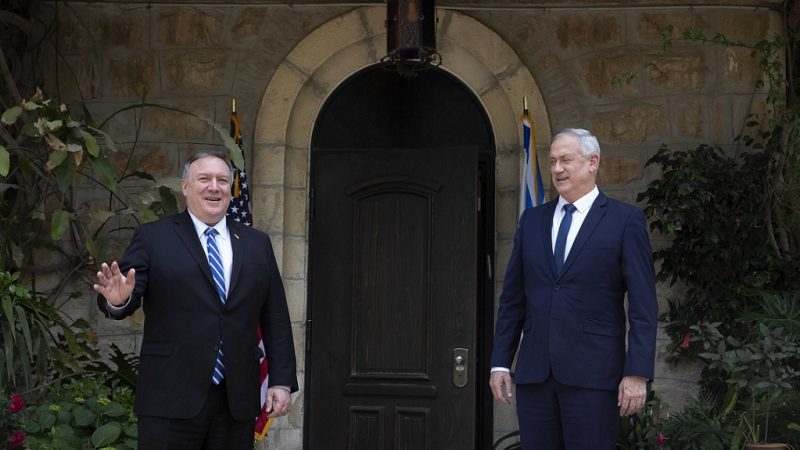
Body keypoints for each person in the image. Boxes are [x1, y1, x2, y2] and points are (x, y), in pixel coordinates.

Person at [93, 150, 298, 450]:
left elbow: (274, 315)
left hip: (235, 399)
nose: (214, 187)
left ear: (230, 189)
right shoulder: (154, 238)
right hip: (170, 396)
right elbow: (126, 293)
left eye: (222, 180)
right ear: (186, 187)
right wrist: (119, 300)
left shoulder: (256, 243)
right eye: (204, 179)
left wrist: (280, 380)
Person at [489, 128, 658, 449]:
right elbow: (512, 299)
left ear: (593, 162)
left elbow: (643, 306)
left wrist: (637, 373)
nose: (557, 169)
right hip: (536, 375)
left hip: (594, 375)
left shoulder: (625, 221)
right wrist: (500, 362)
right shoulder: (532, 221)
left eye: (566, 160)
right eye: (552, 161)